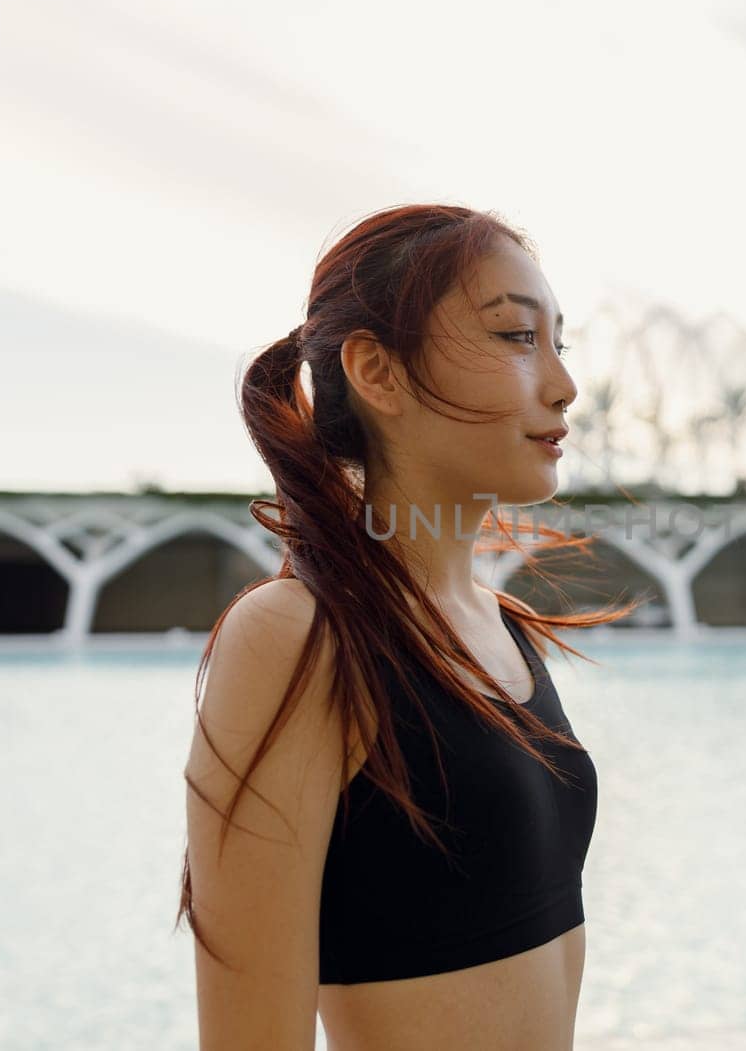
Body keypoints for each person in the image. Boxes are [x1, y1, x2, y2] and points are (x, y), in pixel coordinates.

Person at [178, 203, 639, 1050]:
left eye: (558, 344)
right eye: (513, 337)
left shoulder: (502, 627)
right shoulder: (297, 638)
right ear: (378, 374)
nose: (563, 384)